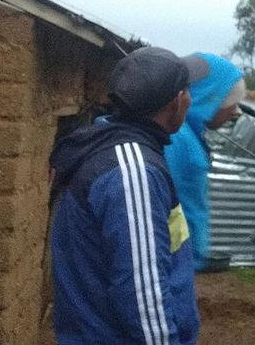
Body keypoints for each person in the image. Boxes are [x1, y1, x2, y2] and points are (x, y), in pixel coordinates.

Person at [50, 46, 203, 344]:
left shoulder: (102, 144)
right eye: (188, 91)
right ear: (177, 103)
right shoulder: (133, 171)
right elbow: (142, 292)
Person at [165, 53, 243, 270]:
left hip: (179, 260)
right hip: (170, 263)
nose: (236, 111)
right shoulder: (175, 140)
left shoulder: (186, 134)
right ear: (209, 97)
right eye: (231, 101)